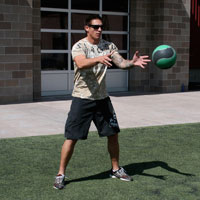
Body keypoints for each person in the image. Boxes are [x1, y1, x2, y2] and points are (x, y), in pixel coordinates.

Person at [53, 14, 151, 190]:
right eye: (95, 26)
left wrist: (132, 63)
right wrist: (98, 58)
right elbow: (81, 63)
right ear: (87, 28)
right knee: (72, 138)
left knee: (113, 134)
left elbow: (121, 63)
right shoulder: (79, 46)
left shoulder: (109, 46)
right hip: (82, 99)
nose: (99, 30)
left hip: (102, 99)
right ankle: (61, 174)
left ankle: (115, 169)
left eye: (101, 27)